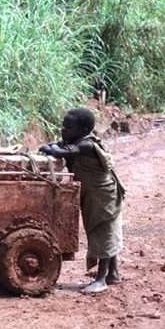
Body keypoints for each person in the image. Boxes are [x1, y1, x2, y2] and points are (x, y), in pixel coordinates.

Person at [39, 108, 125, 294]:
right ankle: (113, 273)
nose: (63, 129)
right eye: (63, 125)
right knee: (101, 231)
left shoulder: (86, 145)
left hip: (103, 195)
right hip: (92, 194)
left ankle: (101, 279)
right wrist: (55, 147)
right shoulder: (73, 141)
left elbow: (57, 151)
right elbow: (57, 146)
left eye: (68, 127)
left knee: (103, 232)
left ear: (84, 130)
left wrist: (53, 149)